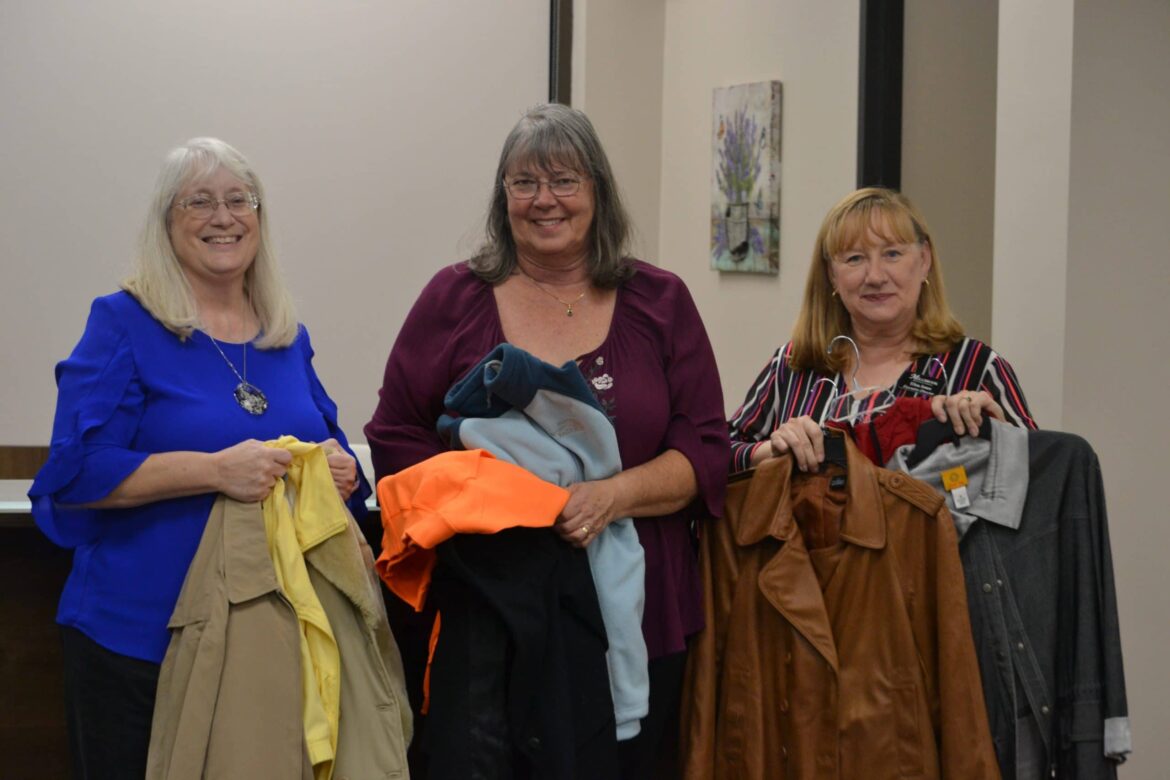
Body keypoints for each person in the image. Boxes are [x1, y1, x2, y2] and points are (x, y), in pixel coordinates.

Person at [366, 103, 729, 778]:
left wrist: (611, 497)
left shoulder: (662, 302)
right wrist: (501, 503)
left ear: (597, 191)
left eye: (563, 180)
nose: (544, 200)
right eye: (524, 182)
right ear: (502, 196)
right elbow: (394, 436)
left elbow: (706, 449)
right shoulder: (453, 299)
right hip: (488, 615)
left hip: (640, 616)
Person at [28, 137, 370, 779]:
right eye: (200, 202)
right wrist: (214, 471)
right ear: (167, 223)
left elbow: (328, 441)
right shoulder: (124, 322)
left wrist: (341, 470)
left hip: (266, 646)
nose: (223, 217)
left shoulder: (286, 335)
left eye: (240, 200)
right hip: (138, 640)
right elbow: (78, 472)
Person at [729, 187, 1036, 473]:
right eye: (855, 258)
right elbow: (719, 455)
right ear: (832, 275)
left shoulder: (977, 367)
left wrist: (998, 431)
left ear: (924, 260)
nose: (875, 276)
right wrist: (771, 450)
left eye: (892, 254)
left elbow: (1042, 473)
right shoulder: (793, 365)